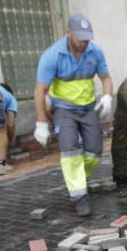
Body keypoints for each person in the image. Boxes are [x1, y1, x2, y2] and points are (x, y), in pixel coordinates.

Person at [32, 14, 114, 217]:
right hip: (64, 109)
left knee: (94, 151)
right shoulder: (52, 55)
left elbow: (105, 77)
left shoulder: (95, 52)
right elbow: (40, 90)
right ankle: (79, 197)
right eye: (80, 38)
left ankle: (78, 178)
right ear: (68, 32)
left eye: (87, 38)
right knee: (70, 151)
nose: (84, 43)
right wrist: (41, 122)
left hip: (88, 108)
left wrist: (107, 96)